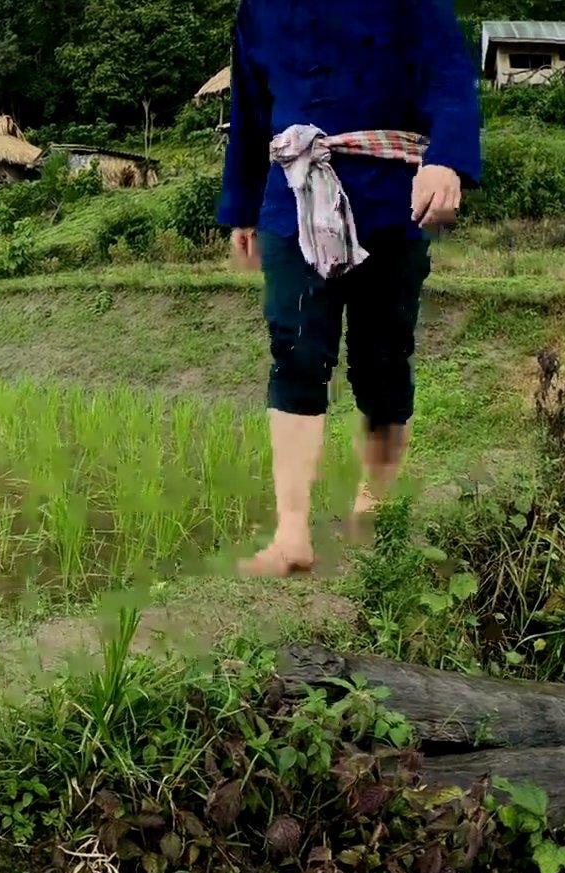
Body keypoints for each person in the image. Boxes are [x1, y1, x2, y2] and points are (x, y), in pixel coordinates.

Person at [218, 0, 482, 577]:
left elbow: (448, 74)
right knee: (294, 352)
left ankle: (376, 502)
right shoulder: (258, 10)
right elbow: (250, 108)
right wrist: (241, 211)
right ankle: (291, 535)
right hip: (292, 199)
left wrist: (447, 161)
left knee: (382, 357)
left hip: (389, 195)